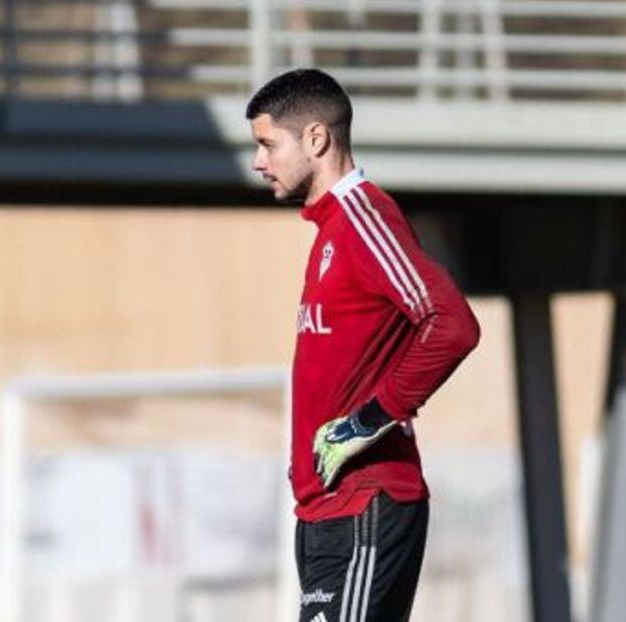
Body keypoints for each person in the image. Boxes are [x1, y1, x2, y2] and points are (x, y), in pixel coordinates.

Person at [246, 69, 480, 622]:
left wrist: (366, 420)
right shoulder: (330, 230)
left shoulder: (364, 218)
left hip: (366, 502)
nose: (259, 163)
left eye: (267, 145)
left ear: (317, 139)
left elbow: (452, 324)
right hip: (325, 511)